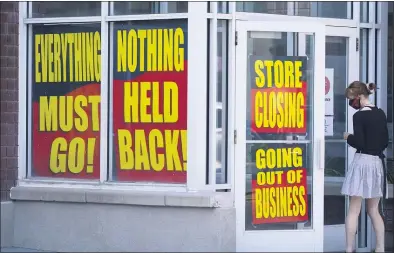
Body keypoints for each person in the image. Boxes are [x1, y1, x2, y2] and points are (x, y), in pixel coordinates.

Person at [341, 81, 389, 253]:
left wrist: (348, 137)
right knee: (373, 210)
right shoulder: (380, 113)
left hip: (362, 162)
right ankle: (380, 248)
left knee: (354, 210)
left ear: (360, 97)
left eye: (352, 99)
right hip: (377, 163)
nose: (351, 103)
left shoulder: (359, 116)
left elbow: (360, 142)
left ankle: (349, 248)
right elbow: (384, 141)